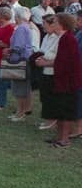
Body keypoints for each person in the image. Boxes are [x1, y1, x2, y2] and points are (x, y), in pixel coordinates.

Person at [35, 13, 82, 147]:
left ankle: (64, 139)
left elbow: (65, 61)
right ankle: (58, 136)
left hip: (66, 81)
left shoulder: (68, 39)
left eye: (55, 22)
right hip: (56, 78)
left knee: (65, 110)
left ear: (62, 24)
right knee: (57, 108)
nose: (52, 24)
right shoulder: (57, 37)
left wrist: (45, 63)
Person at [3, 7, 33, 121]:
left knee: (19, 89)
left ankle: (20, 113)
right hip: (25, 59)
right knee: (23, 88)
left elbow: (18, 46)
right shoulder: (27, 27)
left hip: (19, 60)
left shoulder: (20, 28)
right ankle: (22, 111)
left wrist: (9, 50)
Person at [35, 14, 59, 131]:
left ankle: (52, 119)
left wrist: (43, 57)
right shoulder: (46, 36)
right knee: (44, 95)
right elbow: (42, 49)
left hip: (51, 70)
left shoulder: (57, 37)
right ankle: (47, 117)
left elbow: (53, 54)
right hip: (43, 68)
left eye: (44, 24)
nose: (43, 26)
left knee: (50, 96)